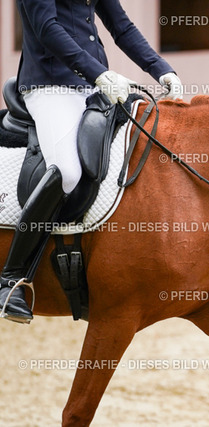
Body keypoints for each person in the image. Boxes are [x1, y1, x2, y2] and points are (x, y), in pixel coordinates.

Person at [0, 0, 183, 324]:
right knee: (67, 172)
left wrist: (160, 68)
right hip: (49, 85)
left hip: (92, 86)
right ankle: (10, 279)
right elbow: (47, 28)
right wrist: (101, 74)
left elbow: (121, 26)